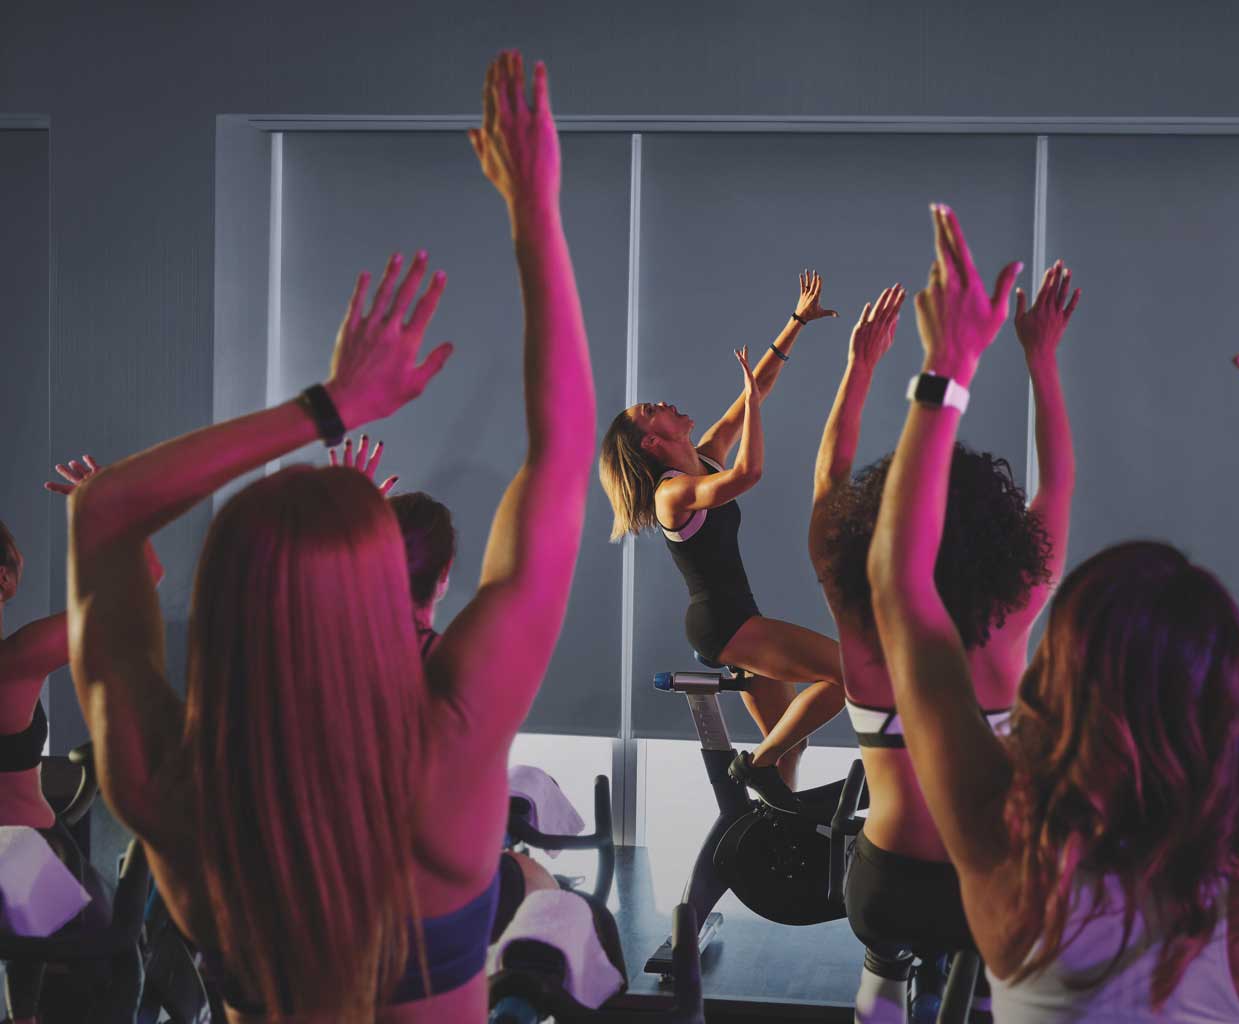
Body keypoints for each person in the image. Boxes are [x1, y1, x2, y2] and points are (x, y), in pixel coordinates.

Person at [64, 50, 594, 1024]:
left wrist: (325, 406)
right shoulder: (449, 750)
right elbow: (565, 458)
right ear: (383, 594)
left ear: (221, 604)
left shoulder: (164, 784)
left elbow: (102, 513)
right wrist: (535, 208)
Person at [868, 203, 1239, 1019]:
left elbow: (899, 590)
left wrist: (946, 368)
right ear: (1238, 701)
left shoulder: (1006, 849)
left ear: (1057, 684)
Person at [805, 267, 1076, 1021]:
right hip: (985, 883)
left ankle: (882, 984)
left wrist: (861, 367)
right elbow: (1058, 481)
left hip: (885, 887)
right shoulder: (1014, 614)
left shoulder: (862, 618)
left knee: (884, 976)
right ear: (1001, 537)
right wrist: (1042, 357)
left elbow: (829, 475)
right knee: (987, 989)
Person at [598, 272, 845, 786]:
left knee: (790, 745)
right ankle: (750, 768)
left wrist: (797, 321)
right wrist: (752, 405)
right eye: (651, 411)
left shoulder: (704, 458)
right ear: (650, 442)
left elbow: (762, 384)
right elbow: (748, 475)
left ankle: (771, 838)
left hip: (741, 616)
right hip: (723, 627)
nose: (663, 403)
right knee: (847, 674)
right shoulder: (672, 494)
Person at [327, 435, 560, 934]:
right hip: (417, 895)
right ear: (445, 574)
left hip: (330, 885)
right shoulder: (453, 672)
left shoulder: (323, 657)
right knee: (553, 901)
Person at [0, 458, 149, 1024]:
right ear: (6, 579)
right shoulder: (16, 660)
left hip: (18, 857)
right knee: (123, 962)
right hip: (15, 853)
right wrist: (110, 513)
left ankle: (25, 1016)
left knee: (32, 917)